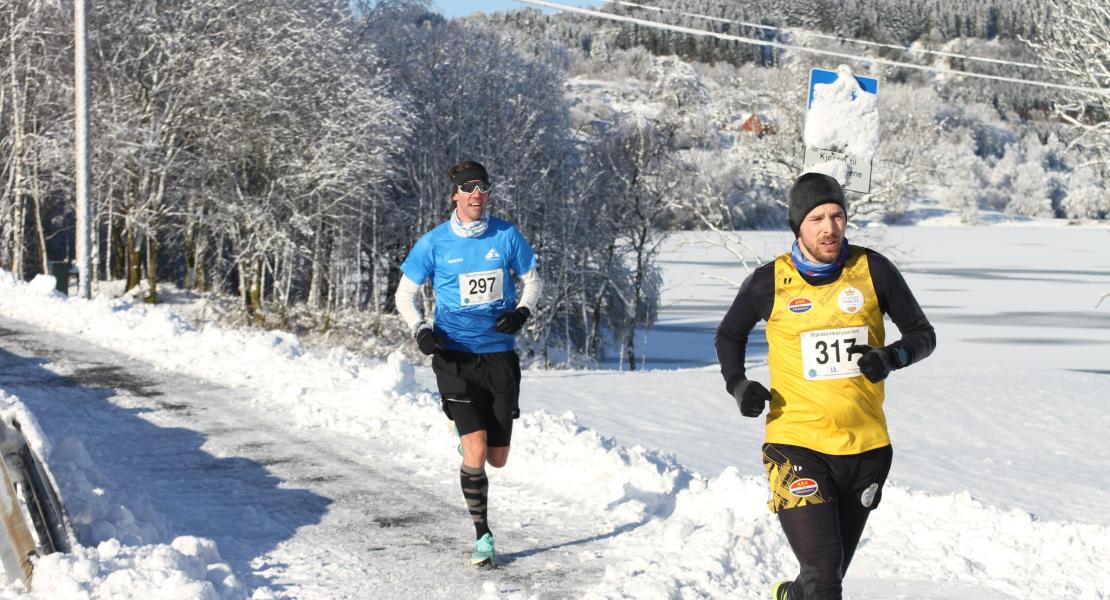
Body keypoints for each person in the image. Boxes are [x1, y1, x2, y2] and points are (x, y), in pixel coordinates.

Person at [714, 172, 936, 599]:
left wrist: (890, 357)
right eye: (817, 217)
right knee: (823, 576)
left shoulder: (873, 270)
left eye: (837, 215)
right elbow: (729, 334)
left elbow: (922, 335)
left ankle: (788, 596)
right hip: (795, 444)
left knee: (824, 576)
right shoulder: (768, 282)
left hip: (867, 448)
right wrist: (738, 384)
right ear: (798, 225)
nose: (829, 227)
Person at [394, 160, 541, 567]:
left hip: (498, 356)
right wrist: (421, 330)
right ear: (455, 195)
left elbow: (533, 279)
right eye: (469, 187)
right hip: (454, 355)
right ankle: (483, 536)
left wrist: (522, 312)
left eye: (483, 187)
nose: (477, 193)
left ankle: (468, 433)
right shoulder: (434, 243)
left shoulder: (507, 236)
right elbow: (404, 296)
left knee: (497, 457)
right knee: (475, 449)